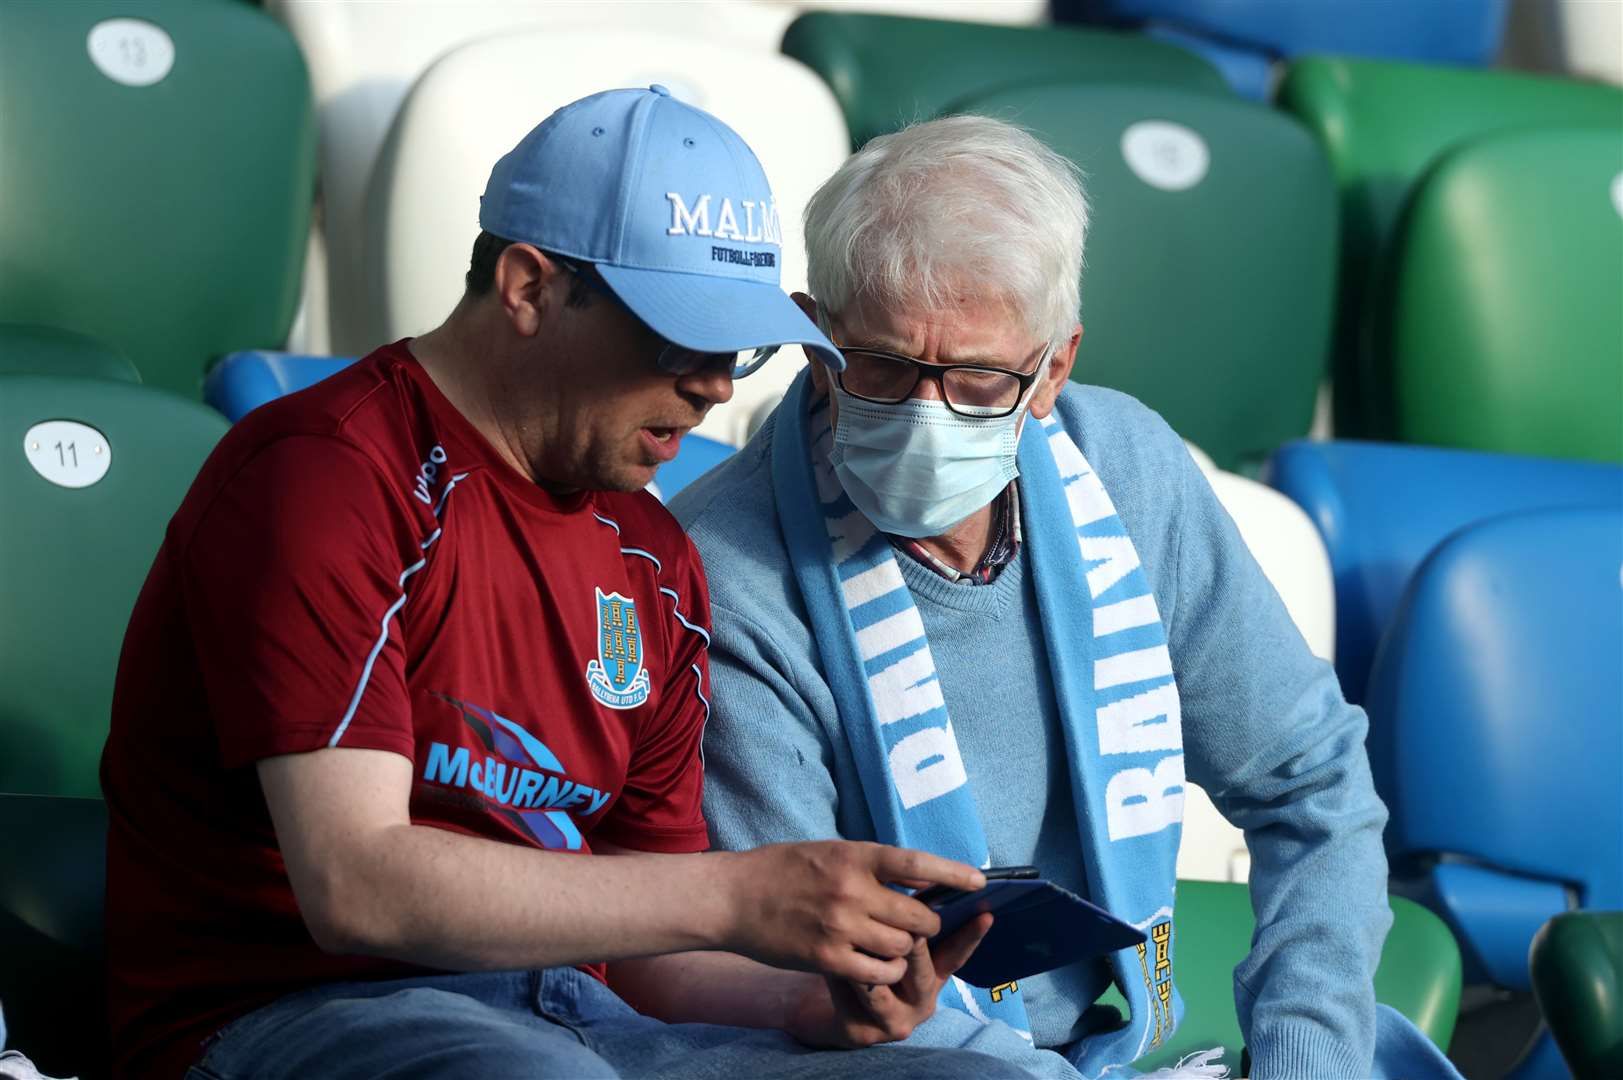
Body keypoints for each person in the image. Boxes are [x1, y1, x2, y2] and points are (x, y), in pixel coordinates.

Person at [100, 87, 1051, 1080]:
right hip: (287, 1014)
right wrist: (731, 896)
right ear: (527, 285)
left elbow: (648, 958)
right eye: (677, 335)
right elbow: (356, 884)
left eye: (740, 346)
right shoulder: (327, 473)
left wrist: (812, 999)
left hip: (569, 1017)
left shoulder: (655, 556)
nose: (718, 383)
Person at [669, 115, 1464, 1079]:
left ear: (1052, 370)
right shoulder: (722, 568)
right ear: (814, 341)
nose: (927, 415)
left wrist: (1307, 1053)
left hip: (1120, 1045)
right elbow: (806, 982)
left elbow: (1313, 786)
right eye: (880, 366)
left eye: (974, 379)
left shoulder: (1126, 466)